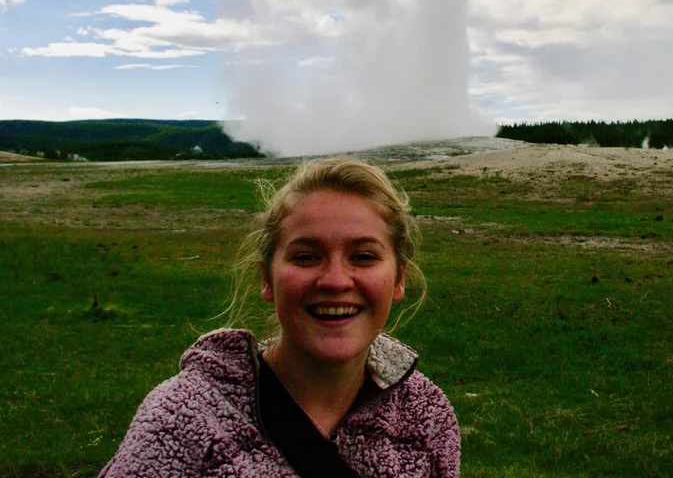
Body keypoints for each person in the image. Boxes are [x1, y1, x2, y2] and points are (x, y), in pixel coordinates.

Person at [100, 158, 460, 478]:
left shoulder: (427, 415)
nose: (335, 281)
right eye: (306, 256)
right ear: (266, 279)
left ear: (399, 279)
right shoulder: (182, 417)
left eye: (363, 256)